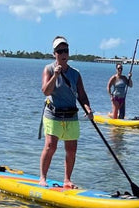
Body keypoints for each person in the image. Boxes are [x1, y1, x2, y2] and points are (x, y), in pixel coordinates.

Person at [40, 36, 93, 189]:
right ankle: (42, 177)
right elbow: (45, 91)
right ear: (54, 54)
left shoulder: (75, 73)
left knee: (71, 149)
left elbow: (82, 96)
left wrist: (88, 108)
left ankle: (67, 180)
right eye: (60, 51)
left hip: (71, 115)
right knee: (51, 146)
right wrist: (55, 76)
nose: (63, 54)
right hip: (53, 114)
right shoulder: (48, 69)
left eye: (66, 50)